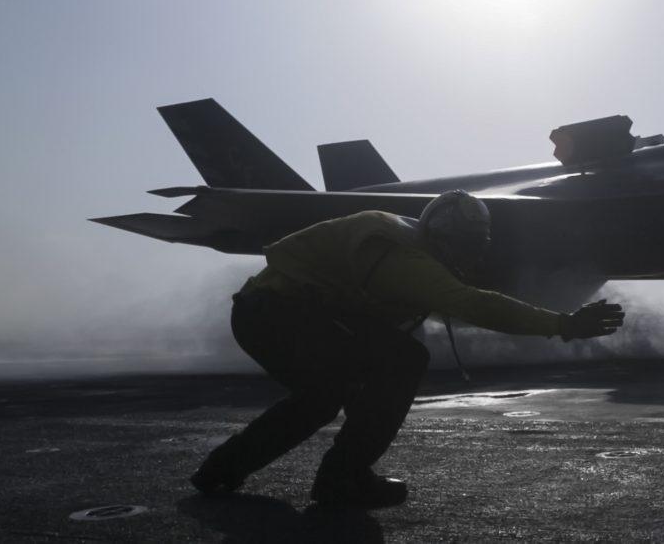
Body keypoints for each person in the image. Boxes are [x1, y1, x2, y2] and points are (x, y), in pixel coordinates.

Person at [189, 190, 625, 508]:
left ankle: (222, 471)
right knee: (402, 360)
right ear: (446, 239)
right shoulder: (406, 258)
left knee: (323, 398)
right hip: (277, 316)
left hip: (272, 315)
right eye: (468, 245)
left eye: (478, 245)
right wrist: (563, 324)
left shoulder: (411, 244)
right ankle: (344, 478)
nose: (472, 256)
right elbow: (473, 303)